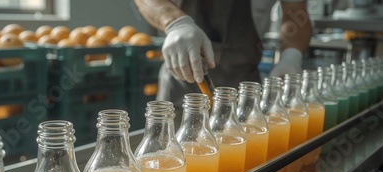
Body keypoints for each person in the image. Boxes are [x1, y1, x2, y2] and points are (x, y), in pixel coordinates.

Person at [134, 0, 313, 110]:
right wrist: (176, 23)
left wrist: (292, 55)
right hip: (181, 83)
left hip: (245, 87)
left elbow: (295, 11)